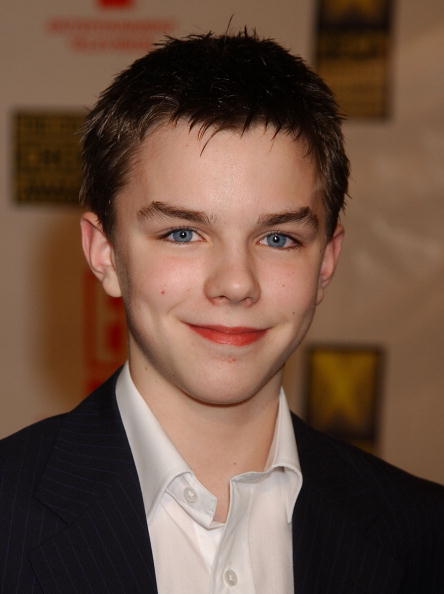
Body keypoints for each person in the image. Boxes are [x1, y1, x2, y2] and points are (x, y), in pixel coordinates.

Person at [1, 30, 443, 594]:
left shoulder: (426, 535)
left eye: (278, 238)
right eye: (183, 233)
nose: (236, 284)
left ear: (326, 263)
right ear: (104, 252)